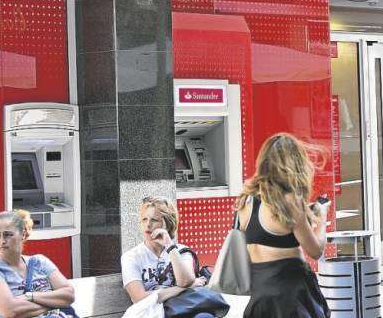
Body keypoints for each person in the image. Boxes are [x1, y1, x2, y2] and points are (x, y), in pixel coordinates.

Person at [236, 132, 330, 318]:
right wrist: (321, 221)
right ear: (295, 164)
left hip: (260, 298)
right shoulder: (291, 202)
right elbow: (315, 250)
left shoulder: (247, 201)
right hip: (292, 299)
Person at [121, 195, 213, 317]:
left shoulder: (182, 251)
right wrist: (181, 289)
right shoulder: (131, 257)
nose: (148, 225)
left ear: (168, 223)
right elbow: (139, 298)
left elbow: (185, 281)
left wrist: (169, 245)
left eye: (154, 220)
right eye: (144, 219)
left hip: (183, 309)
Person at [0, 210, 76, 318]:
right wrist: (54, 303)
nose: (2, 241)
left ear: (23, 234)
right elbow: (11, 311)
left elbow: (69, 294)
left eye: (8, 235)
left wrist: (30, 296)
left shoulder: (40, 262)